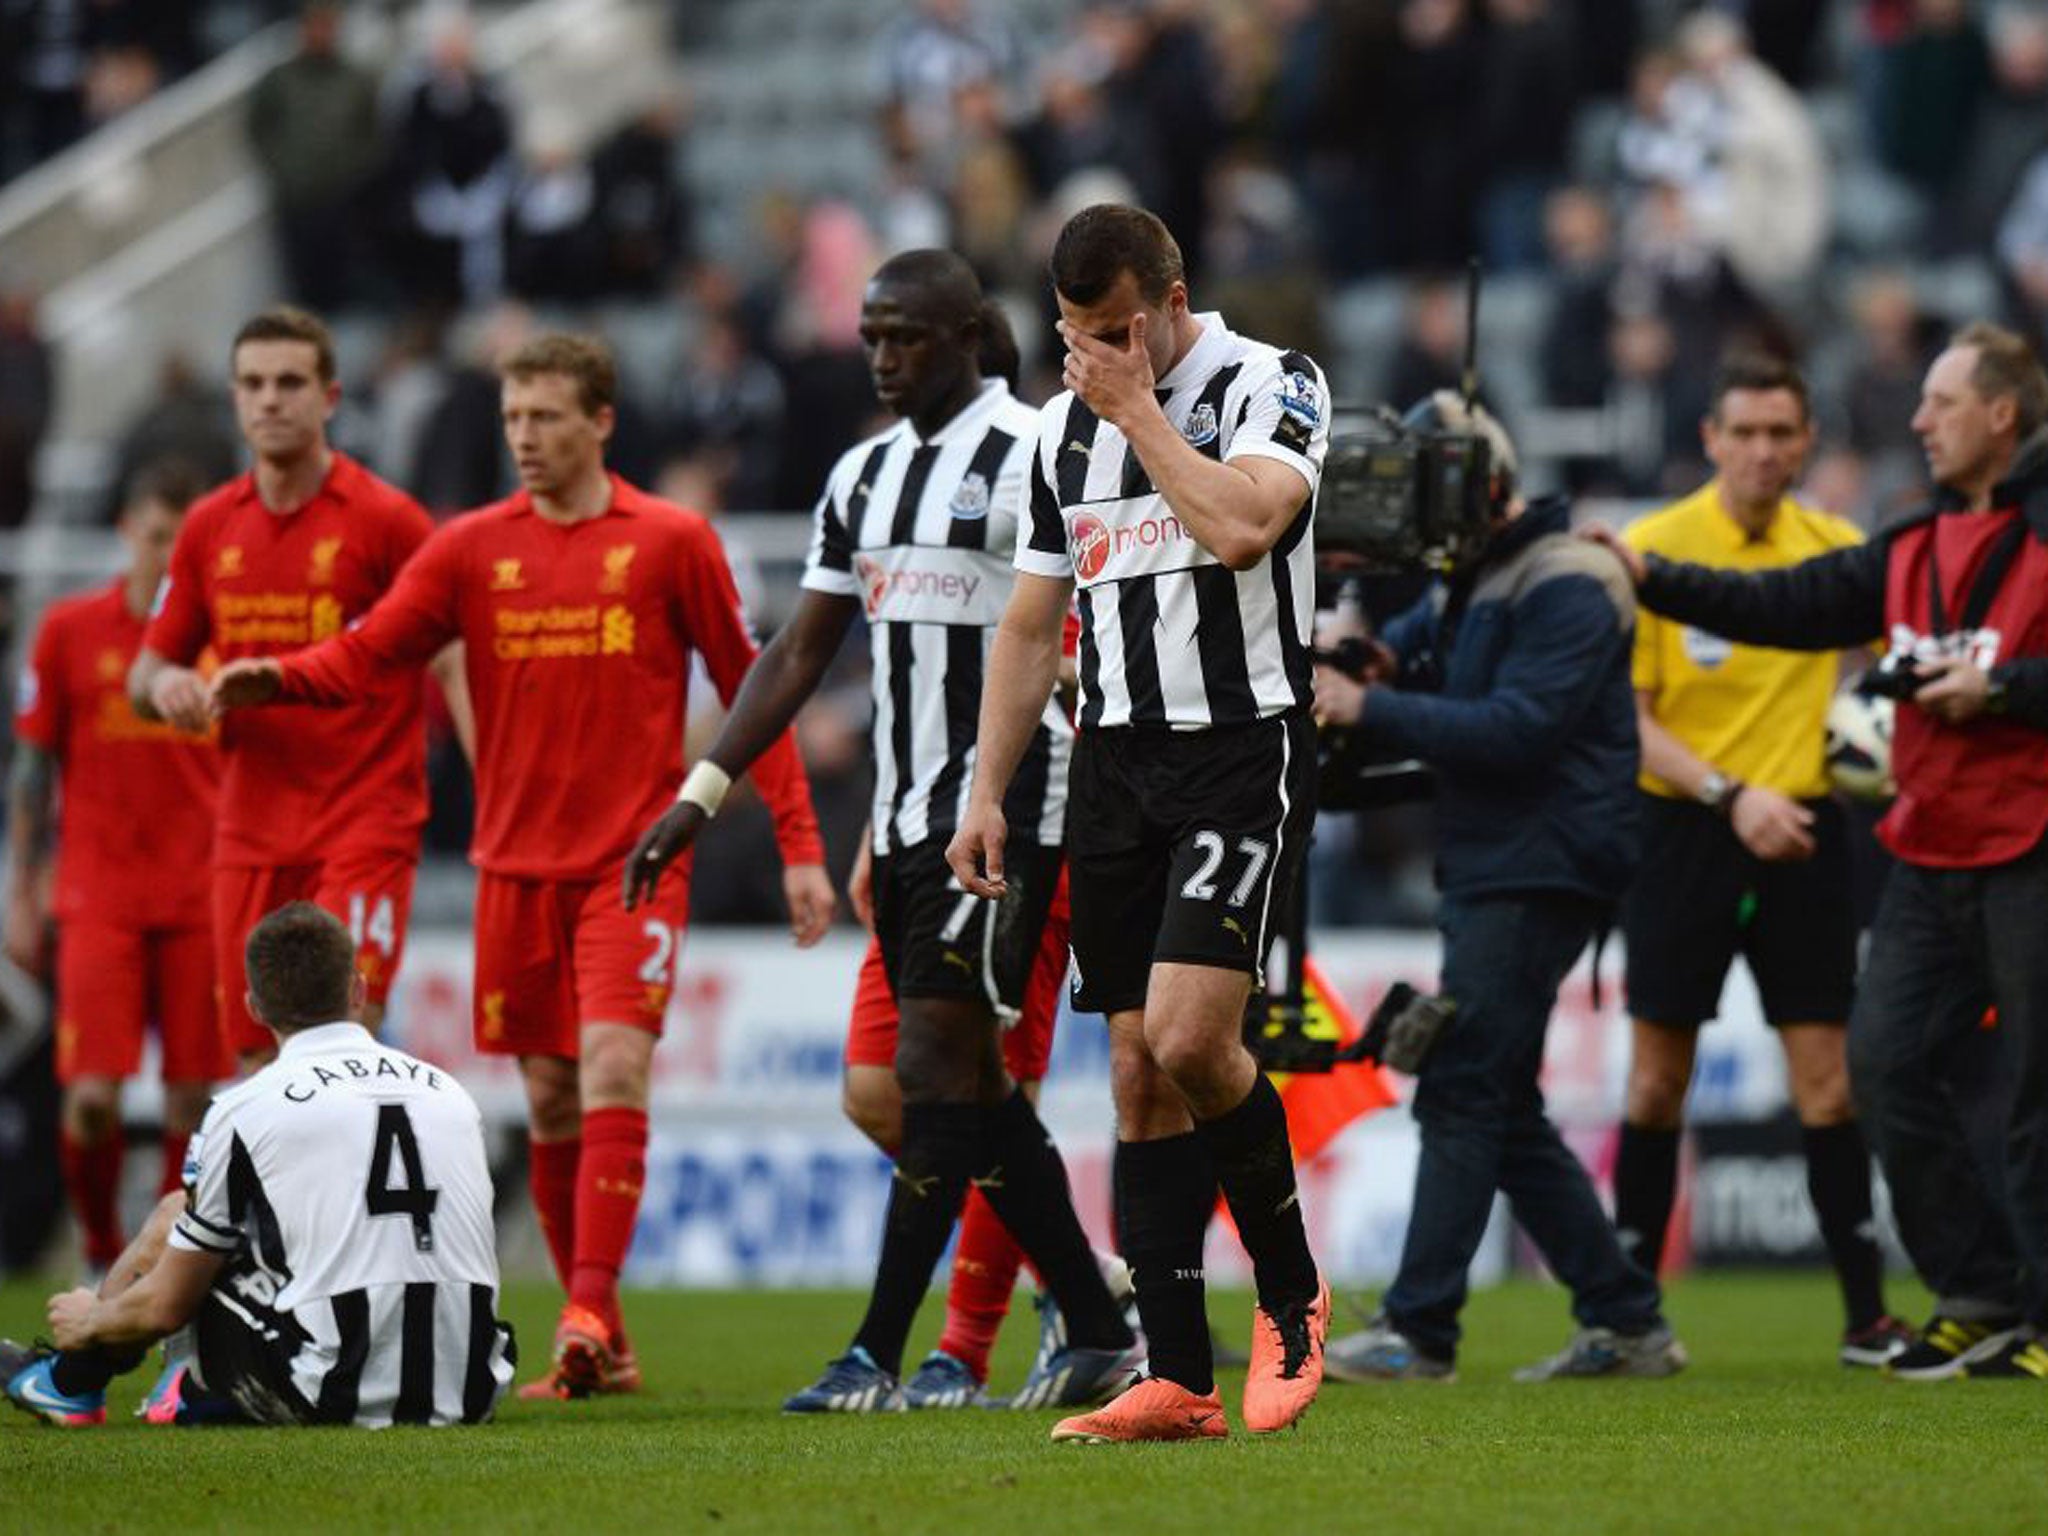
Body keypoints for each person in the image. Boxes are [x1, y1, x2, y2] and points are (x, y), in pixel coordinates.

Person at [209, 334, 835, 1401]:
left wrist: (801, 847)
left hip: (632, 863)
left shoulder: (672, 541)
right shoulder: (465, 550)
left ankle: (583, 1308)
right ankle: (611, 1341)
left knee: (613, 1069)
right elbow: (370, 651)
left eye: (545, 418)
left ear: (599, 422)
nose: (524, 440)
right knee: (547, 1101)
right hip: (512, 869)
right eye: (511, 421)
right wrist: (281, 676)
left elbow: (755, 697)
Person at [627, 249, 1138, 1415]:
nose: (880, 357)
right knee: (896, 1090)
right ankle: (1097, 1317)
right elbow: (798, 653)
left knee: (935, 1067)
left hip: (1009, 814)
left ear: (966, 334)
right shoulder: (857, 475)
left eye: (902, 336)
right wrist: (701, 792)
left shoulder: (1035, 453)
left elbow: (1086, 628)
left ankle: (878, 1354)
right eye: (869, 337)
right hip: (904, 823)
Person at [1586, 321, 2048, 1382]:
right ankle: (1976, 1292)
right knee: (1880, 1070)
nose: (1917, 420)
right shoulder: (1901, 546)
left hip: (2021, 846)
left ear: (1999, 417)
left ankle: (2013, 1307)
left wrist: (2008, 690)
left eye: (1937, 403)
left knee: (2022, 1091)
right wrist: (1648, 573)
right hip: (1922, 851)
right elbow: (1775, 609)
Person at [945, 203, 1333, 1443]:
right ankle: (1175, 1377)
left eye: (1116, 331)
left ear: (1172, 297)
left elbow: (1240, 527)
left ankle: (1289, 1294)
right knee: (1131, 1072)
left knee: (1187, 1036)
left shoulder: (1272, 380)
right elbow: (1024, 623)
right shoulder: (1064, 430)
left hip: (1236, 747)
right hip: (1110, 763)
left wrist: (1138, 411)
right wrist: (985, 788)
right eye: (1072, 337)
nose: (1094, 357)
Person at [1313, 393, 1686, 1386]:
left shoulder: (1568, 575)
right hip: (1501, 856)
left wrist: (1371, 701)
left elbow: (1518, 727)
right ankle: (1623, 1318)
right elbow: (1436, 673)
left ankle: (1418, 1330)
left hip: (1541, 858)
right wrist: (1385, 667)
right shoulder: (1465, 579)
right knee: (1498, 1098)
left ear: (1473, 483)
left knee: (1461, 1081)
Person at [1613, 356, 1908, 1366]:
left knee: (1825, 1084)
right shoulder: (1650, 550)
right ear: (1708, 438)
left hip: (1804, 833)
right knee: (1656, 1081)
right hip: (1686, 829)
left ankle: (1866, 1319)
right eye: (1742, 432)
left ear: (1806, 442)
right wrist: (1729, 796)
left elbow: (1888, 679)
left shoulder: (1837, 552)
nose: (1761, 451)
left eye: (1780, 433)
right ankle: (1630, 1319)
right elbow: (1630, 721)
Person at [1, 903, 515, 1428]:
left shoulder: (245, 1108)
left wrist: (94, 1321)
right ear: (358, 991)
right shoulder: (450, 1093)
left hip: (333, 1391)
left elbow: (166, 1306)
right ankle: (75, 1382)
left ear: (253, 1008)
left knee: (179, 1221)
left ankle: (79, 1383)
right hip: (470, 1390)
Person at [128, 306, 470, 1073]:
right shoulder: (209, 527)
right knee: (256, 1061)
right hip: (251, 826)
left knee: (342, 1032)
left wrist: (496, 793)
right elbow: (146, 674)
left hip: (365, 817)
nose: (271, 399)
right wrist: (175, 681)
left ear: (331, 398)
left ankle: (343, 1198)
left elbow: (452, 658)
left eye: (290, 382)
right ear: (233, 398)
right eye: (253, 383)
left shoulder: (388, 521)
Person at [7, 462, 223, 1275]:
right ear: (129, 531)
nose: (171, 557)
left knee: (193, 1101)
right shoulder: (69, 629)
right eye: (159, 537)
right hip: (98, 895)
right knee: (92, 1099)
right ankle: (102, 1249)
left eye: (185, 544)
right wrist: (25, 892)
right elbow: (32, 766)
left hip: (202, 893)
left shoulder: (221, 642)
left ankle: (166, 1267)